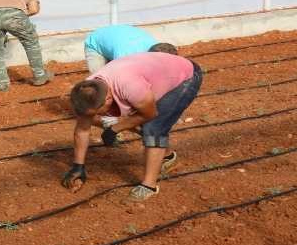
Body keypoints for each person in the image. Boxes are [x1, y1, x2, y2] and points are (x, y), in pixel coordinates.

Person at [62, 51, 203, 201]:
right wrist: (78, 166)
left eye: (96, 112)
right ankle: (168, 156)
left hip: (185, 76)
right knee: (137, 122)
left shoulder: (131, 88)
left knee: (153, 128)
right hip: (154, 74)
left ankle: (149, 186)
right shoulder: (88, 92)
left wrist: (115, 129)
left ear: (108, 99)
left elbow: (150, 114)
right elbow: (82, 129)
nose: (91, 116)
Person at [84, 24, 177, 73]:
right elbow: (118, 75)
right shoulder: (125, 55)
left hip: (118, 38)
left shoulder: (157, 47)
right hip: (96, 43)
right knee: (101, 79)